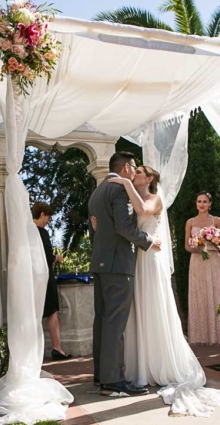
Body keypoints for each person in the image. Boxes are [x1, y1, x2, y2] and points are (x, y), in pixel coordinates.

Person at [106, 166, 220, 416]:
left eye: (139, 171)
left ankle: (160, 363)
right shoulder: (131, 198)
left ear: (149, 179)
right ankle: (141, 365)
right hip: (136, 259)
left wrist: (122, 182)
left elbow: (143, 212)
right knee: (138, 308)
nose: (134, 174)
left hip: (152, 258)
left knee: (153, 305)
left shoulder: (154, 198)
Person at [88, 151, 161, 397]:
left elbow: (94, 230)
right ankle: (113, 379)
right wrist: (148, 241)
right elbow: (123, 226)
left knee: (102, 319)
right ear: (127, 167)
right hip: (118, 263)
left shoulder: (97, 191)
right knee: (115, 322)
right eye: (134, 167)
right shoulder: (119, 190)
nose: (135, 170)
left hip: (99, 263)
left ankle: (101, 374)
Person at [32, 202, 72, 360]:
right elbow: (47, 256)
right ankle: (57, 348)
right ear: (42, 214)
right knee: (52, 312)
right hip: (44, 277)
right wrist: (57, 257)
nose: (48, 220)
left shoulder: (27, 232)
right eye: (48, 217)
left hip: (31, 277)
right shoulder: (41, 232)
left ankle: (35, 351)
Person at [185, 192, 220, 345]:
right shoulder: (190, 222)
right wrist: (197, 248)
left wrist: (211, 241)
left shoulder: (217, 221)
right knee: (199, 294)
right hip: (196, 261)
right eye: (199, 201)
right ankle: (199, 337)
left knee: (214, 292)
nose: (201, 204)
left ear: (210, 204)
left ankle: (217, 336)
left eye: (205, 201)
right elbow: (186, 246)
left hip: (213, 260)